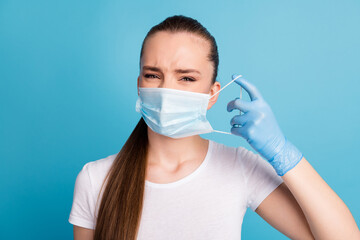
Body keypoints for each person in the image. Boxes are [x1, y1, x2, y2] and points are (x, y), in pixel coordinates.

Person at [68, 15, 360, 240]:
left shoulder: (238, 167)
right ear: (139, 85)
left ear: (213, 94)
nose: (168, 90)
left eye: (186, 78)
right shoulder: (96, 179)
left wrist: (283, 154)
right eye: (153, 74)